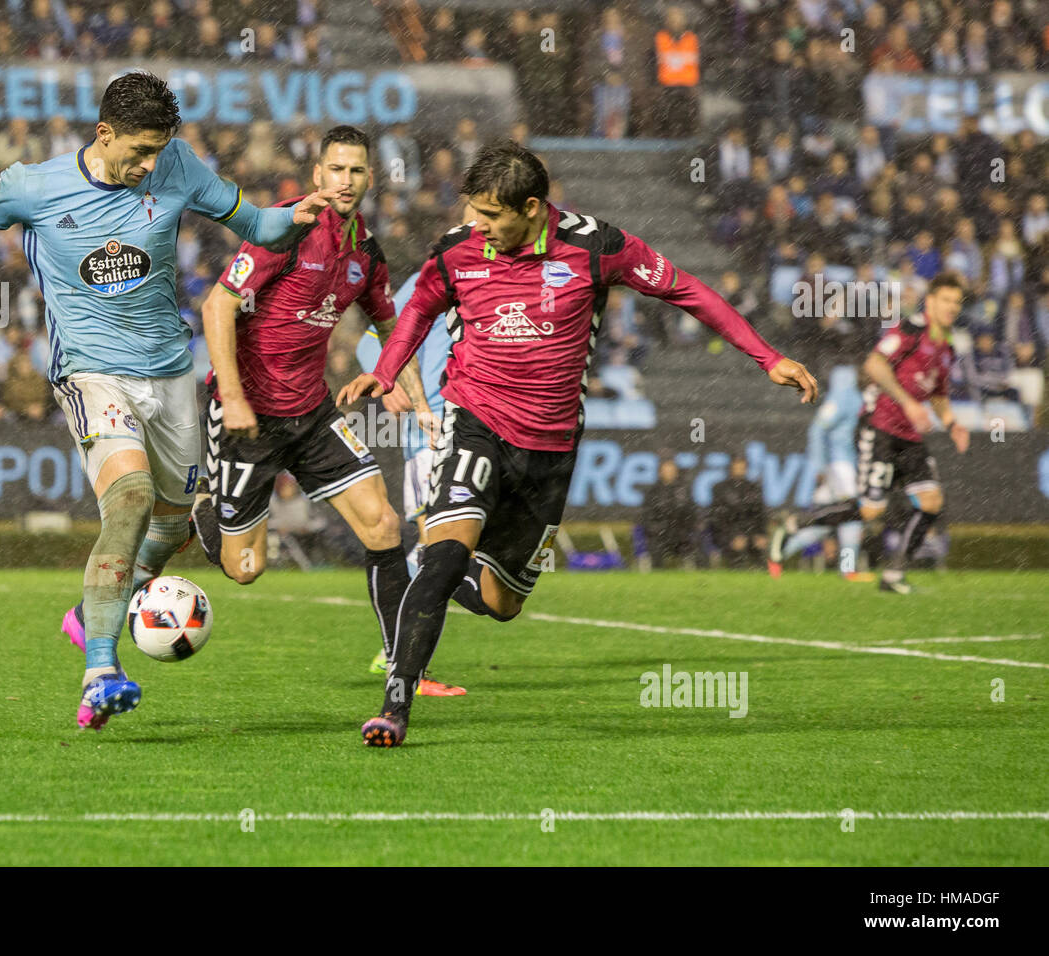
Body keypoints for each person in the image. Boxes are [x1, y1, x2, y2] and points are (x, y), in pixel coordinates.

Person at [0, 71, 342, 730]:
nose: (149, 166)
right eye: (138, 152)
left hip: (167, 373)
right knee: (129, 497)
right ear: (103, 134)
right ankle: (101, 671)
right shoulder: (35, 185)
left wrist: (294, 219)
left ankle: (92, 614)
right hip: (90, 373)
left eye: (158, 152)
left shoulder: (178, 166)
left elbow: (255, 223)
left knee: (171, 526)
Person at [338, 140, 818, 746]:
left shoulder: (598, 247)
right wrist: (385, 373)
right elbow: (416, 313)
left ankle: (456, 577)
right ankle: (396, 704)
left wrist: (766, 356)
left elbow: (686, 290)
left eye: (491, 216)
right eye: (474, 213)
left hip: (550, 448)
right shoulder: (458, 252)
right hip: (474, 420)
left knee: (503, 605)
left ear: (533, 207)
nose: (477, 227)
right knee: (442, 552)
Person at [189, 125, 461, 696]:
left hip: (311, 413)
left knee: (384, 524)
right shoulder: (282, 230)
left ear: (369, 178)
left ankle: (400, 666)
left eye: (357, 171)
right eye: (336, 169)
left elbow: (391, 323)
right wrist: (233, 399)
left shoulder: (364, 248)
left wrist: (404, 387)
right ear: (318, 175)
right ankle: (205, 508)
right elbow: (217, 306)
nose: (346, 180)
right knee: (246, 571)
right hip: (248, 416)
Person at [770, 273, 969, 594]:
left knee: (931, 502)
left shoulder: (946, 345)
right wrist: (908, 403)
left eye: (956, 302)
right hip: (881, 427)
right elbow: (875, 365)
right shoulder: (910, 329)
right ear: (930, 300)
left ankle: (893, 576)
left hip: (909, 435)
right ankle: (794, 524)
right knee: (870, 509)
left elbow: (939, 394)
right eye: (946, 300)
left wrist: (952, 423)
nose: (952, 307)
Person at [356, 249, 467, 695]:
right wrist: (392, 382)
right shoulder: (442, 274)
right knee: (435, 544)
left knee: (446, 547)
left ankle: (399, 652)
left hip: (473, 423)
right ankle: (402, 658)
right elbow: (370, 340)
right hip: (434, 427)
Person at [768, 364, 873, 581]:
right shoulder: (845, 395)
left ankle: (778, 554)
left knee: (825, 522)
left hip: (843, 464)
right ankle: (848, 569)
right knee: (852, 514)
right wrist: (820, 465)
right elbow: (817, 428)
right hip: (839, 466)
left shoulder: (853, 394)